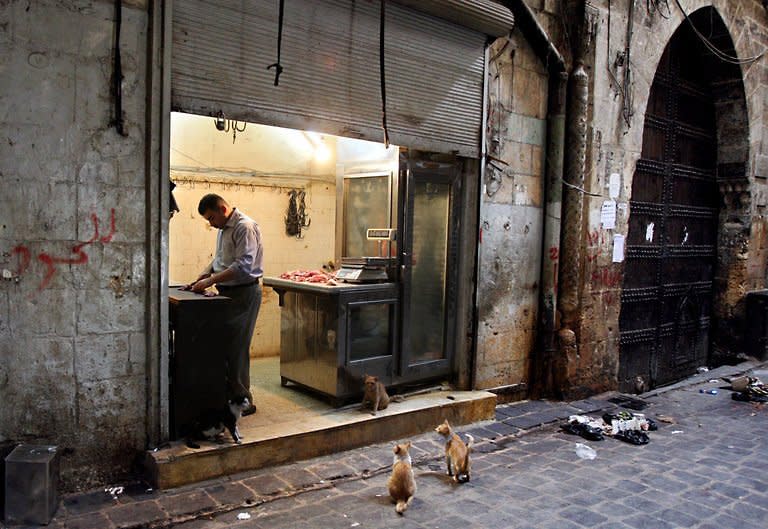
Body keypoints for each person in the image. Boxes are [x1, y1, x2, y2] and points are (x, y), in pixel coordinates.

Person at [189, 193, 263, 416]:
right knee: (226, 347)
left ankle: (244, 402)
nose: (211, 224)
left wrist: (210, 281)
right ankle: (230, 395)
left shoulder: (244, 227)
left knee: (237, 348)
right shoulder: (223, 229)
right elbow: (220, 258)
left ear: (222, 209)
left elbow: (243, 265)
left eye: (211, 218)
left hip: (244, 293)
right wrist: (204, 273)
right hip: (227, 293)